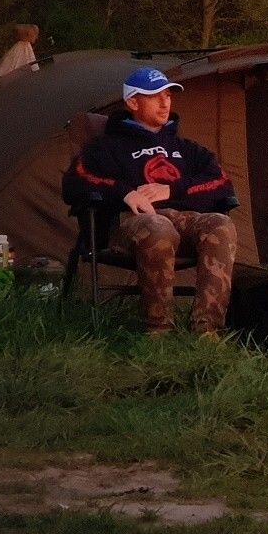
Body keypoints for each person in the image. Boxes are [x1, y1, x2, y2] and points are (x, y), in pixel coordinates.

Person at [62, 67, 237, 336]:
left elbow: (222, 184)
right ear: (133, 102)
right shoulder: (107, 147)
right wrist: (124, 192)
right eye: (155, 96)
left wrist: (173, 189)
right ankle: (158, 330)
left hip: (185, 219)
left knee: (221, 224)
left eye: (168, 95)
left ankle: (206, 330)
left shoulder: (187, 149)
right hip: (131, 223)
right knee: (158, 228)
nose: (165, 102)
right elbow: (75, 182)